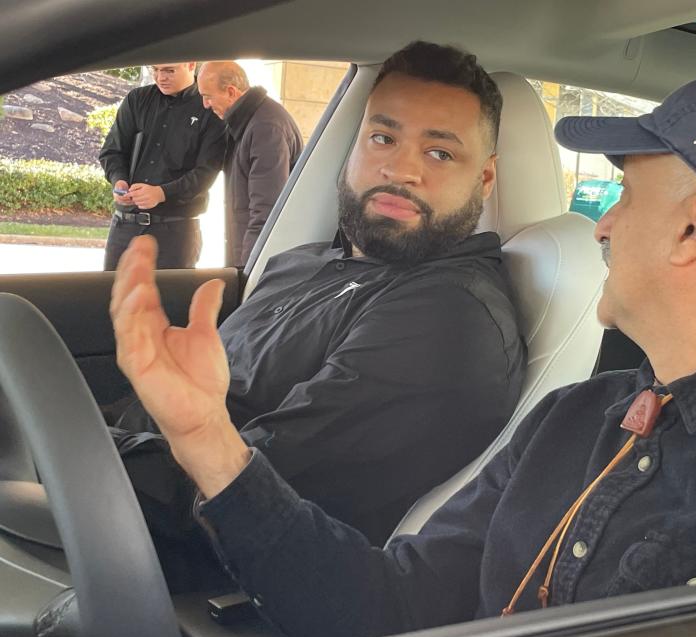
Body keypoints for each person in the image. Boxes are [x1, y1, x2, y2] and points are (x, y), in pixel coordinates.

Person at [111, 71, 696, 637]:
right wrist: (204, 436)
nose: (601, 223)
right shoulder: (578, 420)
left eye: (625, 192)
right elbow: (388, 609)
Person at [110, 42, 525, 576]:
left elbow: (248, 490)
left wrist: (84, 453)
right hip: (120, 494)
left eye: (440, 153)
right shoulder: (304, 262)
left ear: (485, 179)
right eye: (383, 137)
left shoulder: (447, 319)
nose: (400, 169)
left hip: (159, 560)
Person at [99, 62, 226, 270]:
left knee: (172, 301)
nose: (160, 77)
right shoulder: (136, 100)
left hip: (176, 232)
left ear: (191, 65)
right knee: (113, 299)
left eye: (169, 70)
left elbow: (207, 171)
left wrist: (162, 193)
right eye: (155, 70)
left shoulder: (208, 107)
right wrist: (118, 180)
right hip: (124, 227)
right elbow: (112, 152)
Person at [196, 61, 304, 266]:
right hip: (249, 251)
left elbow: (266, 210)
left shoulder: (265, 127)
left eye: (207, 96)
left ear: (231, 92)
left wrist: (247, 272)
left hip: (259, 260)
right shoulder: (249, 120)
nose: (205, 105)